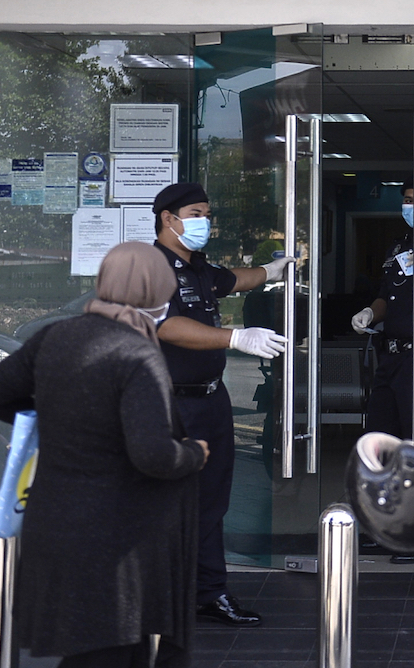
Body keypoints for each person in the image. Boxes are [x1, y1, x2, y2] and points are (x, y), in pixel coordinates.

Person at [0, 242, 209, 667]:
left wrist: (52, 420)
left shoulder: (55, 336)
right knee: (112, 649)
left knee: (94, 649)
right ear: (153, 290)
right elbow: (153, 455)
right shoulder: (136, 352)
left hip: (58, 521)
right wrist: (193, 452)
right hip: (121, 537)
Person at [152, 182, 293, 627]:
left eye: (207, 213)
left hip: (210, 401)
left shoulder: (199, 268)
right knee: (166, 501)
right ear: (169, 219)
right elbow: (166, 326)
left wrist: (274, 269)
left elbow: (236, 278)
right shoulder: (151, 267)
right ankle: (158, 594)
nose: (205, 222)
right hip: (170, 405)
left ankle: (209, 593)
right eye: (196, 213)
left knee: (212, 502)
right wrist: (235, 337)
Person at [349, 179, 414, 440]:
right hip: (390, 357)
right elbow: (386, 295)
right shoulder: (398, 247)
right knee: (380, 435)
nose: (413, 206)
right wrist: (370, 313)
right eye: (408, 200)